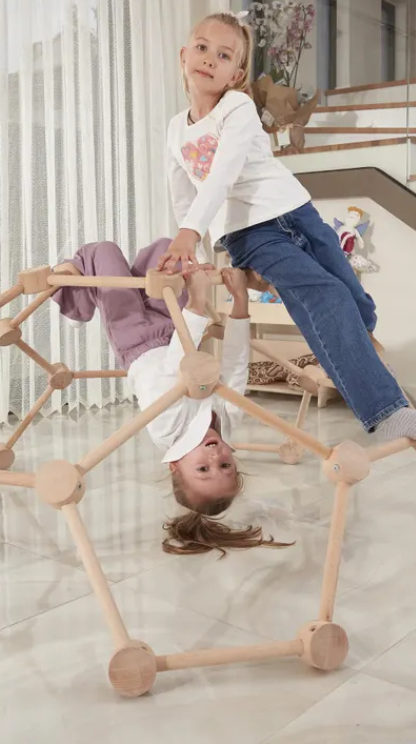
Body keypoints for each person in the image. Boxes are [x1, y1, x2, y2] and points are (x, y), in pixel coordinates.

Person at [158, 12, 416, 443]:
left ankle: (367, 363)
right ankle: (386, 411)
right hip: (251, 234)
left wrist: (191, 231)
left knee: (356, 302)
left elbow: (226, 170)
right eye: (201, 48)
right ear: (183, 56)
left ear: (235, 75)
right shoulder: (174, 131)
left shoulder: (236, 107)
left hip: (297, 211)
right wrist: (194, 248)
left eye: (224, 55)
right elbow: (185, 194)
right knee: (325, 297)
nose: (209, 59)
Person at [51, 238, 288, 555]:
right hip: (174, 326)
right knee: (170, 250)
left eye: (203, 470)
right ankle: (128, 278)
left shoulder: (167, 431)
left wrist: (197, 302)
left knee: (104, 251)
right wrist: (240, 302)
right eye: (226, 466)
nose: (215, 458)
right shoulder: (228, 422)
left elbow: (178, 368)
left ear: (175, 466)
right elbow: (236, 367)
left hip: (134, 338)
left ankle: (76, 304)